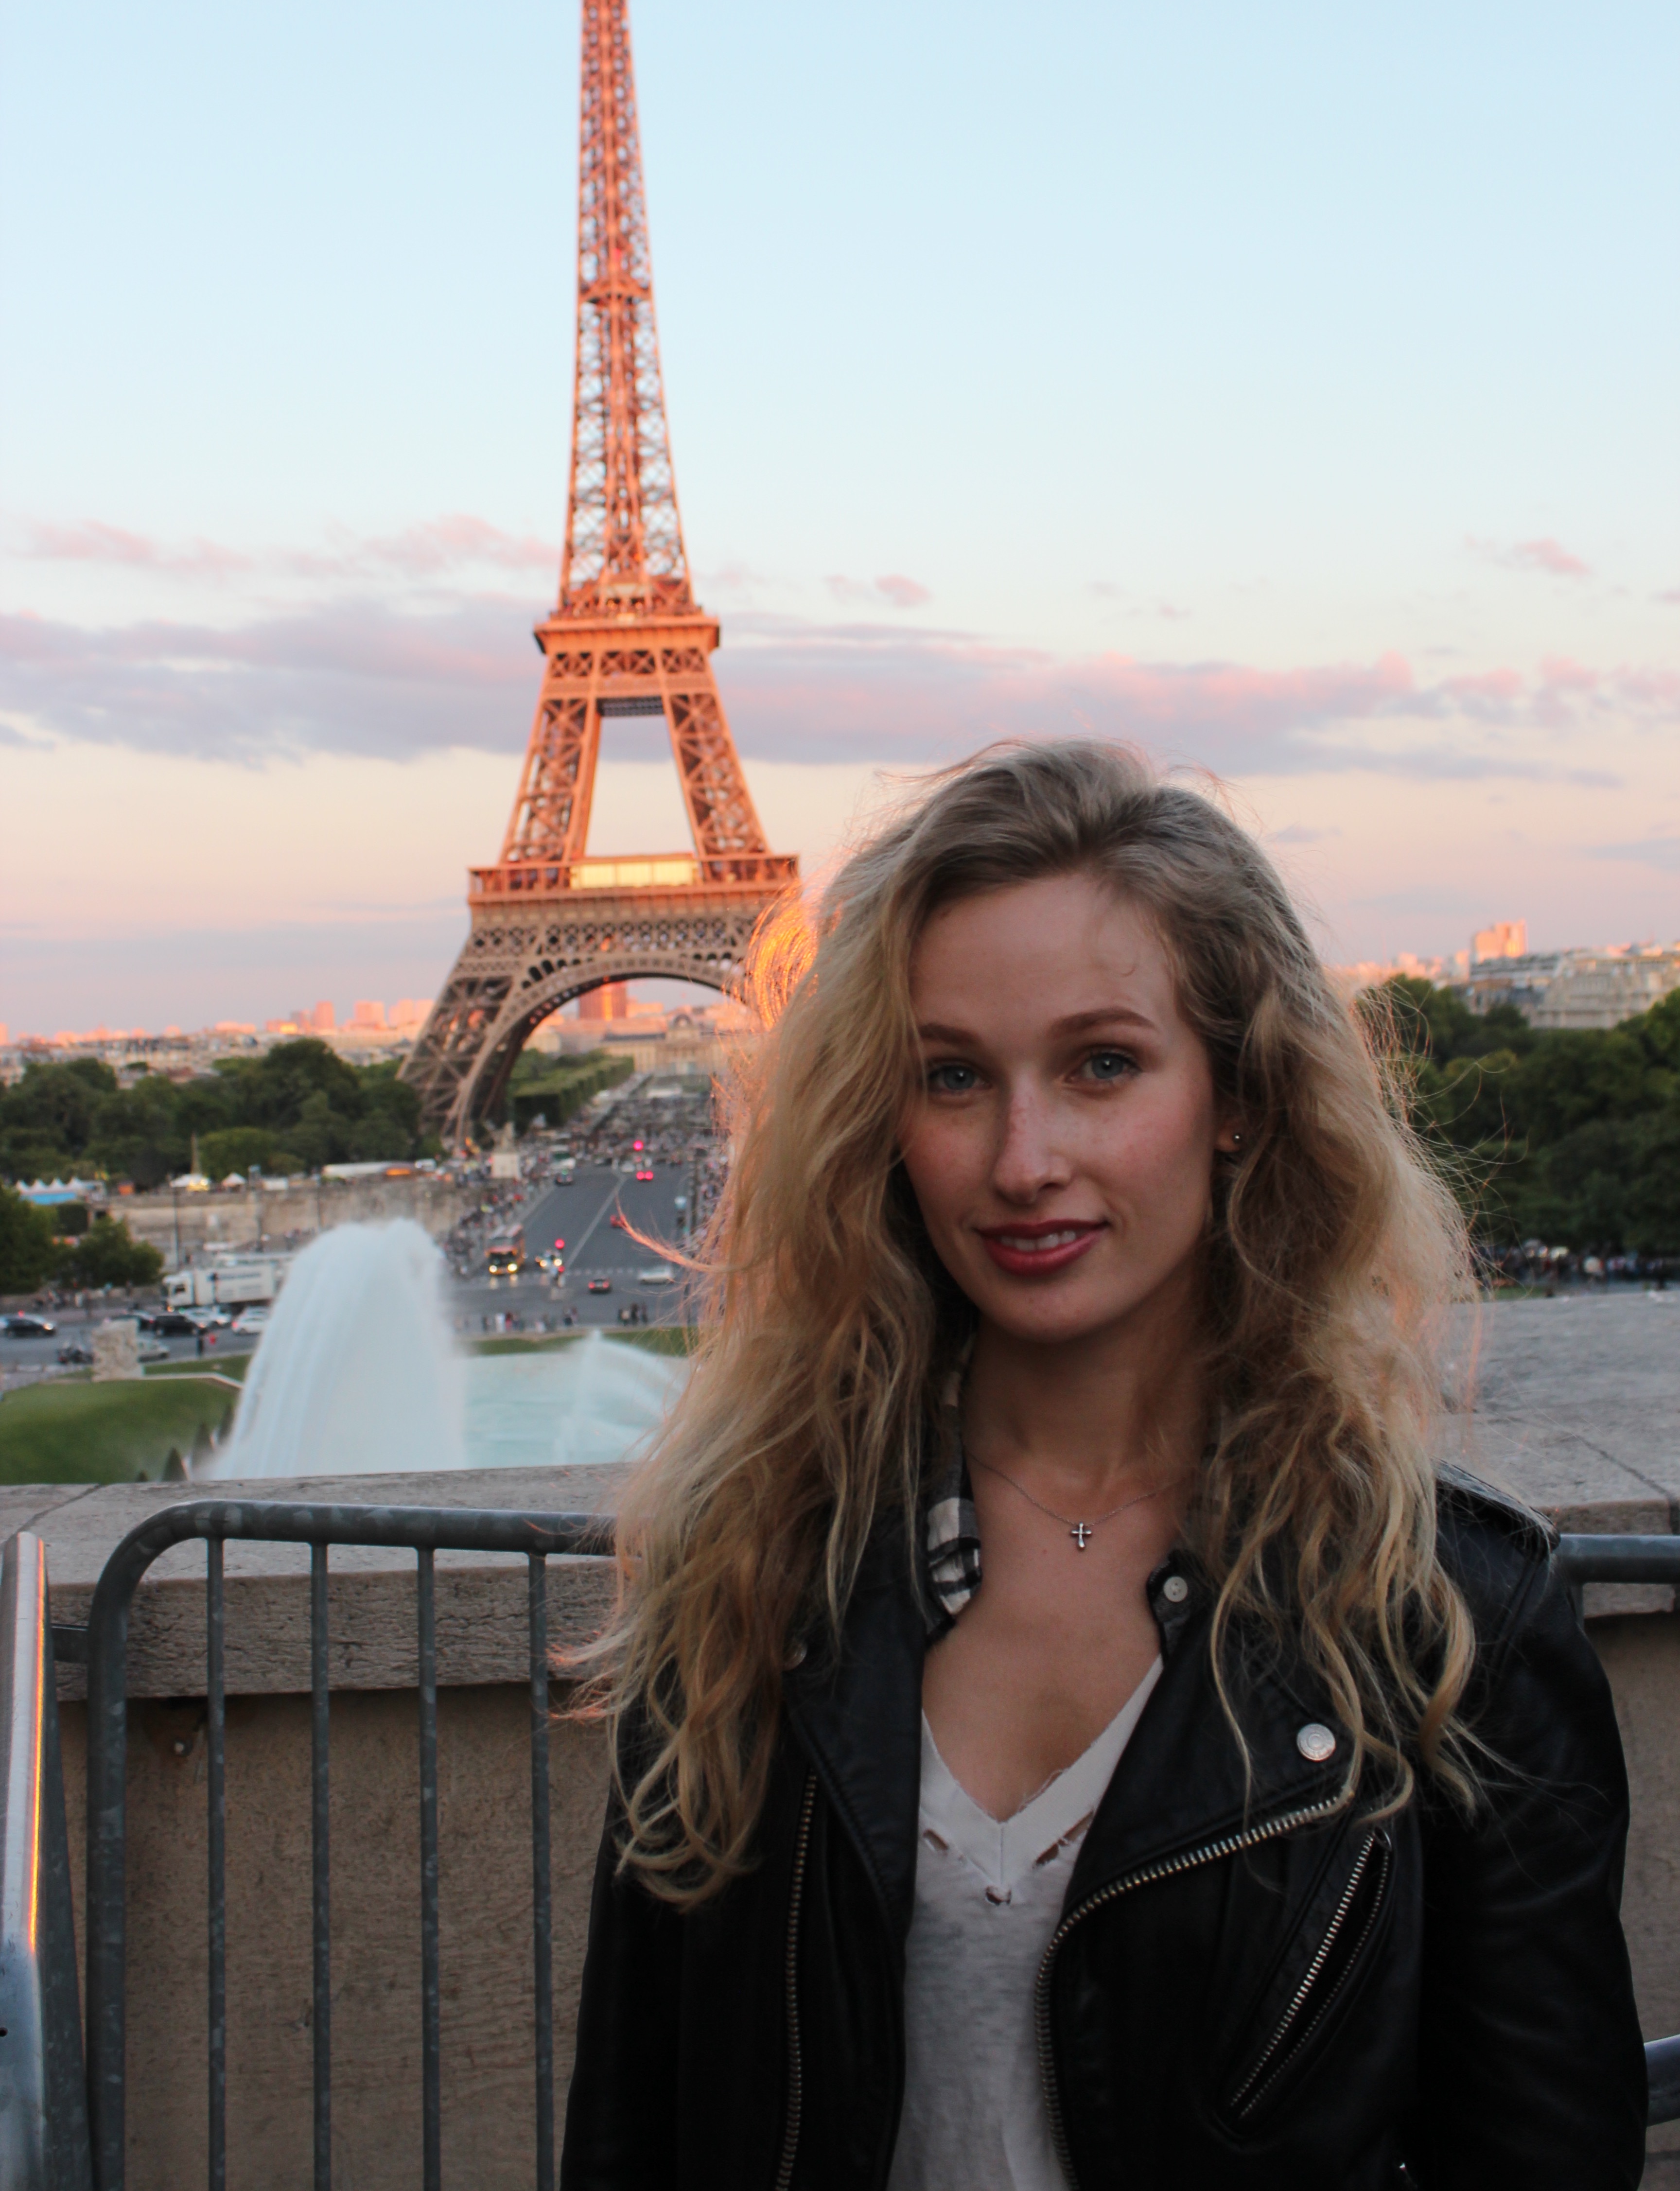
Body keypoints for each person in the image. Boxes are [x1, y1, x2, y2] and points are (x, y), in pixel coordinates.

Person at [560, 741, 1645, 2190]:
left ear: (1240, 1094)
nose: (1024, 1160)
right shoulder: (749, 1561)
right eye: (953, 1076)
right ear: (883, 1123)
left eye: (1103, 1065)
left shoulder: (1457, 1621)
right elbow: (636, 2128)